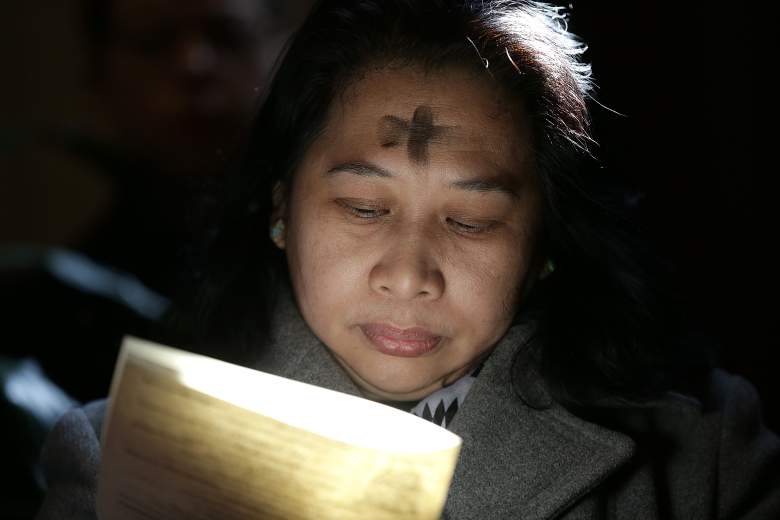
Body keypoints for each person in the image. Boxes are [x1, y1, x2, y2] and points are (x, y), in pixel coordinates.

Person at [36, 1, 780, 519]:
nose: (409, 275)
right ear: (279, 212)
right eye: (364, 209)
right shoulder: (127, 457)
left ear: (547, 244)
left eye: (471, 219)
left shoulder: (701, 456)